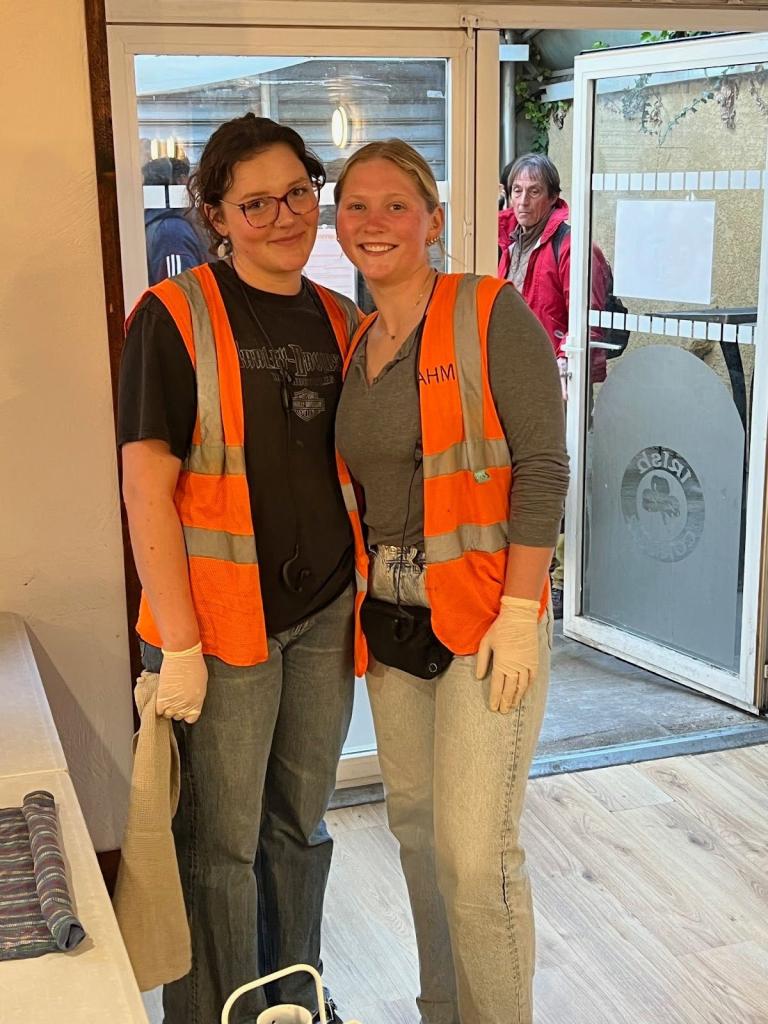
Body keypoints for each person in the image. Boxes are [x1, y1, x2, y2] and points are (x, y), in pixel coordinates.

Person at [118, 114, 369, 1024]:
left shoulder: (343, 319)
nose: (283, 216)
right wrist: (175, 645)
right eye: (254, 203)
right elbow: (145, 486)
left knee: (299, 826)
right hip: (221, 629)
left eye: (297, 193)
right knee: (219, 840)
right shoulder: (174, 315)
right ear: (216, 216)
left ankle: (294, 996)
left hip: (322, 613)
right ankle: (221, 1010)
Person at [334, 140, 569, 1024]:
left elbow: (544, 466)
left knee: (477, 857)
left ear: (433, 219)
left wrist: (520, 613)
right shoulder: (361, 342)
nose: (375, 222)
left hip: (481, 620)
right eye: (357, 206)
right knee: (420, 836)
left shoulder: (488, 311)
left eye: (397, 205)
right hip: (394, 627)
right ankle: (446, 1009)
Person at [498, 153, 610, 617]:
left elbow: (590, 323)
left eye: (534, 191)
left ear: (553, 195)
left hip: (560, 381)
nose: (523, 200)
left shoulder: (572, 244)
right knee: (522, 474)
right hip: (518, 378)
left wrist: (567, 374)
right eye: (516, 191)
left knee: (559, 477)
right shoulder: (510, 239)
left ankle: (566, 578)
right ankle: (537, 566)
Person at [142, 155, 210, 284]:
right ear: (181, 180)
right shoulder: (171, 231)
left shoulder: (164, 224)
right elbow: (180, 292)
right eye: (190, 179)